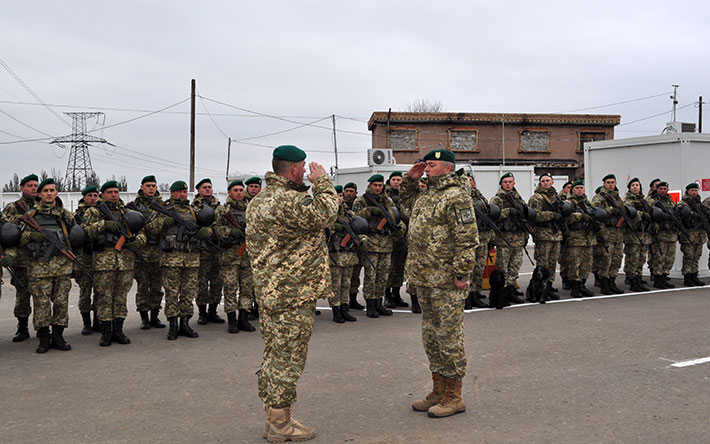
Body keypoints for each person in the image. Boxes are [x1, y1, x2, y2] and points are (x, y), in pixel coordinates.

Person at [246, 145, 337, 442]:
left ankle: (276, 417)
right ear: (295, 170)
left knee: (275, 355)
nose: (307, 172)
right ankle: (280, 426)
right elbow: (325, 213)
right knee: (288, 358)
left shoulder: (260, 200)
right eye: (304, 168)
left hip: (273, 291)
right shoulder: (287, 200)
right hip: (292, 294)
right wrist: (322, 182)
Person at [401, 149, 478, 418]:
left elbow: (467, 239)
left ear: (447, 168)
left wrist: (461, 273)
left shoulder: (456, 196)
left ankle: (454, 396)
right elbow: (405, 205)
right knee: (431, 337)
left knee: (449, 337)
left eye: (431, 165)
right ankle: (438, 390)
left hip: (445, 280)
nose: (426, 168)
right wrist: (410, 180)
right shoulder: (426, 194)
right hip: (424, 278)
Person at [82, 180, 146, 347]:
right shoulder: (94, 212)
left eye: (116, 192)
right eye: (110, 192)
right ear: (102, 194)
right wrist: (103, 225)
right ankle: (106, 332)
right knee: (104, 297)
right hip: (104, 261)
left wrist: (138, 242)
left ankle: (118, 330)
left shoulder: (127, 212)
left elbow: (142, 231)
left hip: (125, 261)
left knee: (120, 297)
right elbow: (84, 232)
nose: (113, 195)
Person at [17, 178, 77, 353]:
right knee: (41, 303)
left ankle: (58, 336)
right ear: (40, 194)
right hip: (39, 267)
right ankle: (43, 338)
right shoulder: (30, 217)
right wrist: (30, 237)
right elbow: (16, 239)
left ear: (56, 193)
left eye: (52, 190)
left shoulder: (66, 216)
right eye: (46, 191)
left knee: (60, 302)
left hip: (62, 266)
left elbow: (75, 238)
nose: (49, 193)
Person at [146, 180, 211, 340]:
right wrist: (164, 222)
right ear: (172, 193)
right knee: (172, 293)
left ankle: (185, 323)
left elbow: (209, 227)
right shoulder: (164, 209)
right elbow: (150, 229)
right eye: (179, 191)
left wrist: (205, 231)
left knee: (188, 293)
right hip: (171, 258)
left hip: (191, 258)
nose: (182, 194)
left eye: (184, 191)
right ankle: (173, 324)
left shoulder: (193, 210)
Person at [352, 174, 406, 318]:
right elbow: (355, 219)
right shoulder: (362, 200)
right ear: (370, 185)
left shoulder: (387, 201)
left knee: (383, 276)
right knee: (371, 275)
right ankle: (370, 304)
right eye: (375, 185)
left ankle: (379, 302)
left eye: (380, 185)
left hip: (386, 244)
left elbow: (395, 218)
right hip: (371, 244)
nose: (377, 188)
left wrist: (400, 229)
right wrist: (369, 211)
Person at [214, 179, 256, 333]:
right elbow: (215, 230)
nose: (239, 193)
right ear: (229, 192)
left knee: (247, 288)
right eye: (235, 190)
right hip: (230, 255)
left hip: (248, 255)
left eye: (240, 190)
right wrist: (230, 232)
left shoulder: (253, 208)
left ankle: (243, 318)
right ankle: (232, 320)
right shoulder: (223, 210)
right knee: (230, 288)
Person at [2, 173, 38, 343]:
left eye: (35, 185)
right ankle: (22, 327)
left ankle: (42, 327)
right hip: (21, 258)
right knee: (22, 295)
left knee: (41, 295)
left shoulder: (43, 205)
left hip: (39, 259)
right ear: (22, 188)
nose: (33, 188)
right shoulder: (12, 207)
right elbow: (8, 231)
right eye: (30, 185)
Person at [129, 175, 166, 330]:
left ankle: (155, 316)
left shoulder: (163, 206)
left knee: (157, 285)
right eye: (148, 186)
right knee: (143, 285)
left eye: (154, 186)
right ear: (142, 187)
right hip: (142, 252)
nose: (151, 188)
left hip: (159, 250)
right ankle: (144, 317)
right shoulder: (133, 206)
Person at [489, 172, 528, 304]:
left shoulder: (519, 199)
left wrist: (526, 235)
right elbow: (493, 217)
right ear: (501, 184)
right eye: (505, 182)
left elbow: (524, 218)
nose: (508, 184)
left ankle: (511, 291)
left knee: (514, 267)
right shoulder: (497, 199)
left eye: (510, 182)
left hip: (518, 238)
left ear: (514, 183)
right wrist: (508, 212)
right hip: (504, 239)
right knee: (502, 268)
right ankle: (501, 294)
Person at [326, 185, 363, 323]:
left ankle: (344, 308)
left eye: (340, 196)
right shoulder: (327, 214)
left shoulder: (348, 213)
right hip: (334, 255)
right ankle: (336, 310)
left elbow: (358, 229)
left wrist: (361, 239)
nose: (339, 198)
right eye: (336, 196)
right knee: (335, 284)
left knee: (346, 283)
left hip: (349, 255)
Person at [193, 178, 225, 326]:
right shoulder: (193, 207)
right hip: (202, 251)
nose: (208, 189)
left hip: (217, 251)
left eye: (210, 187)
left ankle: (213, 311)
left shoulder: (220, 207)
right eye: (204, 187)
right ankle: (202, 312)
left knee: (217, 283)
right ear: (198, 190)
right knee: (202, 283)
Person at [528, 173, 564, 299]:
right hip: (543, 235)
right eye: (543, 181)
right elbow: (534, 215)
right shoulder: (536, 198)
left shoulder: (556, 196)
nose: (545, 183)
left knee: (553, 263)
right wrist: (552, 215)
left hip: (556, 235)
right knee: (542, 263)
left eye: (548, 180)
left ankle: (548, 287)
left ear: (552, 182)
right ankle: (538, 290)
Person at [591, 174, 625, 295]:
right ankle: (604, 284)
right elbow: (595, 214)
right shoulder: (599, 198)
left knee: (617, 259)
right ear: (604, 184)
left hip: (618, 233)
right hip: (607, 233)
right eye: (608, 182)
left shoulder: (618, 198)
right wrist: (611, 210)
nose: (611, 185)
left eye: (612, 182)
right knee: (606, 260)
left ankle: (612, 282)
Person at [563, 180, 597, 297]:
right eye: (577, 188)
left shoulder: (588, 203)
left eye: (581, 187)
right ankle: (575, 287)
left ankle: (582, 284)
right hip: (575, 238)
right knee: (574, 263)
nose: (579, 190)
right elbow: (565, 218)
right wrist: (580, 216)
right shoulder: (568, 203)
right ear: (572, 189)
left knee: (586, 264)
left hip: (588, 238)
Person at [74, 185, 100, 335]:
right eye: (90, 195)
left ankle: (97, 321)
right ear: (84, 197)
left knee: (99, 291)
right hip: (83, 257)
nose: (93, 198)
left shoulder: (101, 213)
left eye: (95, 195)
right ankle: (86, 323)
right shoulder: (76, 215)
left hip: (98, 256)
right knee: (85, 291)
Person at [466, 174, 492, 308]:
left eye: (470, 180)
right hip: (468, 239)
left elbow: (489, 216)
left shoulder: (481, 198)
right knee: (468, 268)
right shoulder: (461, 198)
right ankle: (467, 296)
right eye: (466, 180)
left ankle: (476, 293)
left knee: (479, 268)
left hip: (483, 237)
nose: (468, 183)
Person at [384, 171, 409, 308]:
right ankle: (387, 295)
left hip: (403, 237)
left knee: (400, 267)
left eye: (399, 179)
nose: (396, 182)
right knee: (390, 267)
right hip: (391, 237)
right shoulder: (385, 196)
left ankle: (396, 293)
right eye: (393, 179)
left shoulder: (405, 195)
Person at [622, 178, 652, 292]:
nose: (635, 187)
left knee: (641, 259)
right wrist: (642, 215)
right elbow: (629, 215)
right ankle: (632, 281)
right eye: (633, 185)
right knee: (633, 259)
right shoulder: (628, 201)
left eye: (637, 185)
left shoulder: (644, 201)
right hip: (633, 235)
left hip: (644, 235)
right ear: (629, 188)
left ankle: (638, 280)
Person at [646, 181, 678, 288]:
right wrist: (663, 215)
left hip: (671, 234)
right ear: (657, 190)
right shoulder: (652, 200)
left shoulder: (671, 201)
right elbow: (650, 211)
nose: (663, 191)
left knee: (669, 258)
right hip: (660, 234)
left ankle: (664, 277)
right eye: (661, 189)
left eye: (665, 189)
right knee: (659, 258)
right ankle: (658, 279)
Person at [676, 183, 708, 287]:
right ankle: (687, 277)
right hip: (689, 234)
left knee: (696, 256)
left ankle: (694, 275)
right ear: (688, 191)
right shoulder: (683, 204)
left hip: (699, 235)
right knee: (688, 256)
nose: (694, 192)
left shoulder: (700, 204)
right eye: (692, 191)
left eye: (695, 190)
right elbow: (682, 214)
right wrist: (694, 215)